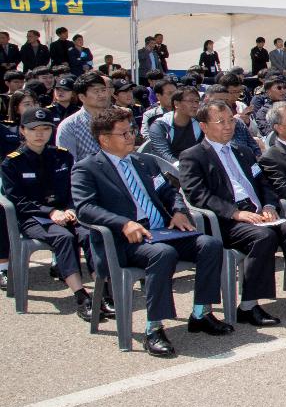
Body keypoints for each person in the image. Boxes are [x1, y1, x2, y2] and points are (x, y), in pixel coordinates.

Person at [72, 106, 232, 357]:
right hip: (124, 239)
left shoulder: (143, 162)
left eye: (131, 131)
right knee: (163, 254)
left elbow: (170, 191)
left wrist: (179, 211)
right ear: (104, 139)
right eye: (123, 134)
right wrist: (123, 223)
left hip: (161, 231)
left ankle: (201, 313)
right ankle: (153, 328)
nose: (131, 137)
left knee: (209, 244)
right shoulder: (88, 168)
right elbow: (85, 208)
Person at [178, 100, 286, 326]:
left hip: (257, 213)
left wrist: (269, 206)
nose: (228, 126)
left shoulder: (242, 151)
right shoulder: (193, 156)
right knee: (263, 237)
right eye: (220, 122)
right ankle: (249, 305)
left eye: (231, 121)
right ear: (204, 127)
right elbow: (198, 195)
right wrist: (234, 213)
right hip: (225, 220)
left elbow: (263, 183)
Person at [2, 107, 105, 321]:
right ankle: (81, 296)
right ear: (22, 131)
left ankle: (102, 294)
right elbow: (18, 201)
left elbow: (73, 189)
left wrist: (70, 207)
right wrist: (50, 212)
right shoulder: (12, 162)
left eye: (45, 129)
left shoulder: (62, 156)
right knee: (64, 238)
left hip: (66, 213)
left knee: (89, 235)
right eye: (33, 129)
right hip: (33, 218)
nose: (40, 134)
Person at [54, 73, 113, 163]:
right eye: (96, 91)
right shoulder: (70, 126)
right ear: (82, 97)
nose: (101, 95)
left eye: (103, 90)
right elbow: (68, 163)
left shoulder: (118, 118)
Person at [145, 86, 204, 163]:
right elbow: (163, 154)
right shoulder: (160, 125)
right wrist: (184, 168)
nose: (195, 105)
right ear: (176, 103)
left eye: (197, 101)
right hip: (168, 168)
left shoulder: (200, 123)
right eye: (190, 101)